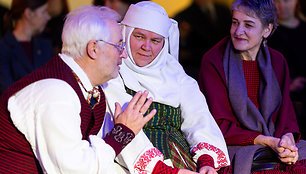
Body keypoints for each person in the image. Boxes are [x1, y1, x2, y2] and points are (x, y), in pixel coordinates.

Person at [0, 5, 161, 173]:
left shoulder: (88, 90)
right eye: (118, 46)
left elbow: (96, 156)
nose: (124, 54)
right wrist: (122, 133)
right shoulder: (55, 92)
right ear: (93, 49)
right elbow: (74, 170)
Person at [102, 1, 230, 174]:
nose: (146, 47)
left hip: (185, 161)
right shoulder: (113, 73)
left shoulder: (175, 74)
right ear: (125, 34)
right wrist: (164, 170)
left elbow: (199, 120)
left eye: (155, 40)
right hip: (137, 166)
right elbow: (120, 131)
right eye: (139, 36)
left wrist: (206, 162)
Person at [198, 0, 306, 173]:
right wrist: (267, 141)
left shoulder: (278, 61)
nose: (238, 31)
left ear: (267, 30)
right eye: (235, 23)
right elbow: (217, 124)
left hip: (274, 143)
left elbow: (286, 117)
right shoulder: (213, 60)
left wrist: (287, 141)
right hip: (235, 146)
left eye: (248, 25)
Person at [268, 0, 306, 139]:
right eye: (277, 1)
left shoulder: (303, 28)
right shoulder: (268, 33)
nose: (281, 6)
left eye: (286, 1)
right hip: (284, 98)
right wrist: (289, 84)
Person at [0, 0, 54, 95]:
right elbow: (7, 92)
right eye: (44, 11)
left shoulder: (46, 46)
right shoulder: (3, 48)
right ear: (28, 13)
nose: (48, 17)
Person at [174, 0, 232, 80]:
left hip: (226, 66)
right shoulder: (183, 16)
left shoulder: (224, 10)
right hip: (199, 71)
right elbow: (181, 52)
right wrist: (182, 38)